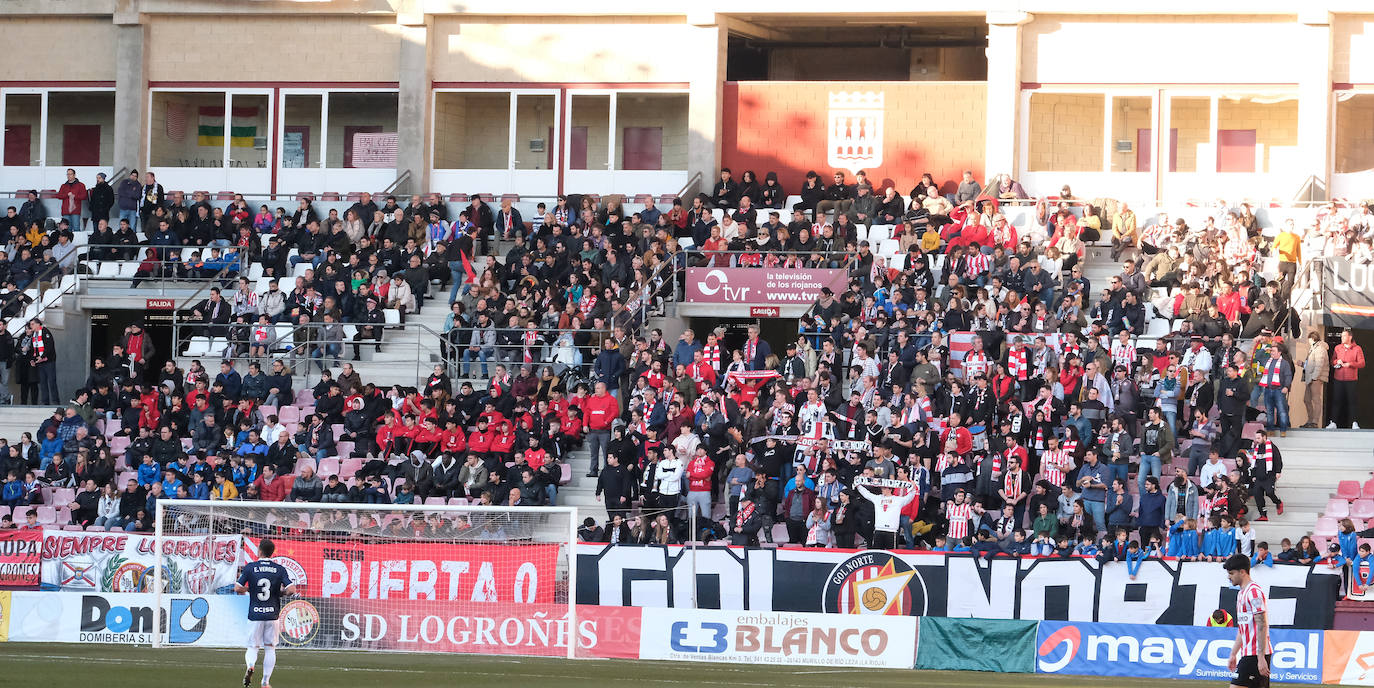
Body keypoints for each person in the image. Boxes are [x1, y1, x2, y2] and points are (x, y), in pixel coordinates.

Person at [235, 538, 298, 688]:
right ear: (272, 553)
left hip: (255, 615)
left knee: (253, 647)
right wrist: (280, 593)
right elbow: (292, 590)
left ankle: (250, 665)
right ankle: (265, 682)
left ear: (260, 551)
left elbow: (237, 588)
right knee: (270, 648)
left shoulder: (251, 567)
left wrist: (250, 589)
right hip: (272, 615)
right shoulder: (279, 569)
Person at [1224, 553, 1272, 688]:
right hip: (1248, 654)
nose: (1229, 577)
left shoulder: (1254, 592)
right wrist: (1233, 653)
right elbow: (1242, 628)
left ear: (1243, 572)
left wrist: (1261, 657)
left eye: (1232, 573)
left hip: (1255, 654)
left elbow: (1262, 624)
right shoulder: (1241, 594)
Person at [1331, 329, 1364, 429]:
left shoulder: (1357, 348)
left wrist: (1350, 364)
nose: (1342, 338)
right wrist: (1337, 361)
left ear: (1350, 337)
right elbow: (1332, 361)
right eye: (1342, 336)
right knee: (1336, 400)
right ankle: (1333, 422)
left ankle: (1354, 422)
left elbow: (1362, 363)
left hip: (1351, 379)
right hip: (1338, 378)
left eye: (1344, 336)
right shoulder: (1337, 348)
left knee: (1352, 401)